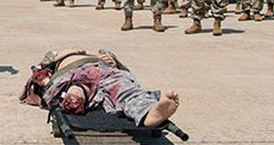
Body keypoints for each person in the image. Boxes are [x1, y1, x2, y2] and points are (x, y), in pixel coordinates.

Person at [20, 48, 180, 128]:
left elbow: (123, 69)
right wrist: (44, 80)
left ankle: (148, 113)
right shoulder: (54, 56)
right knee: (74, 91)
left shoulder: (97, 52)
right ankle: (76, 99)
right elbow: (36, 77)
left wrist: (112, 59)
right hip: (71, 76)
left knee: (123, 88)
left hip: (102, 70)